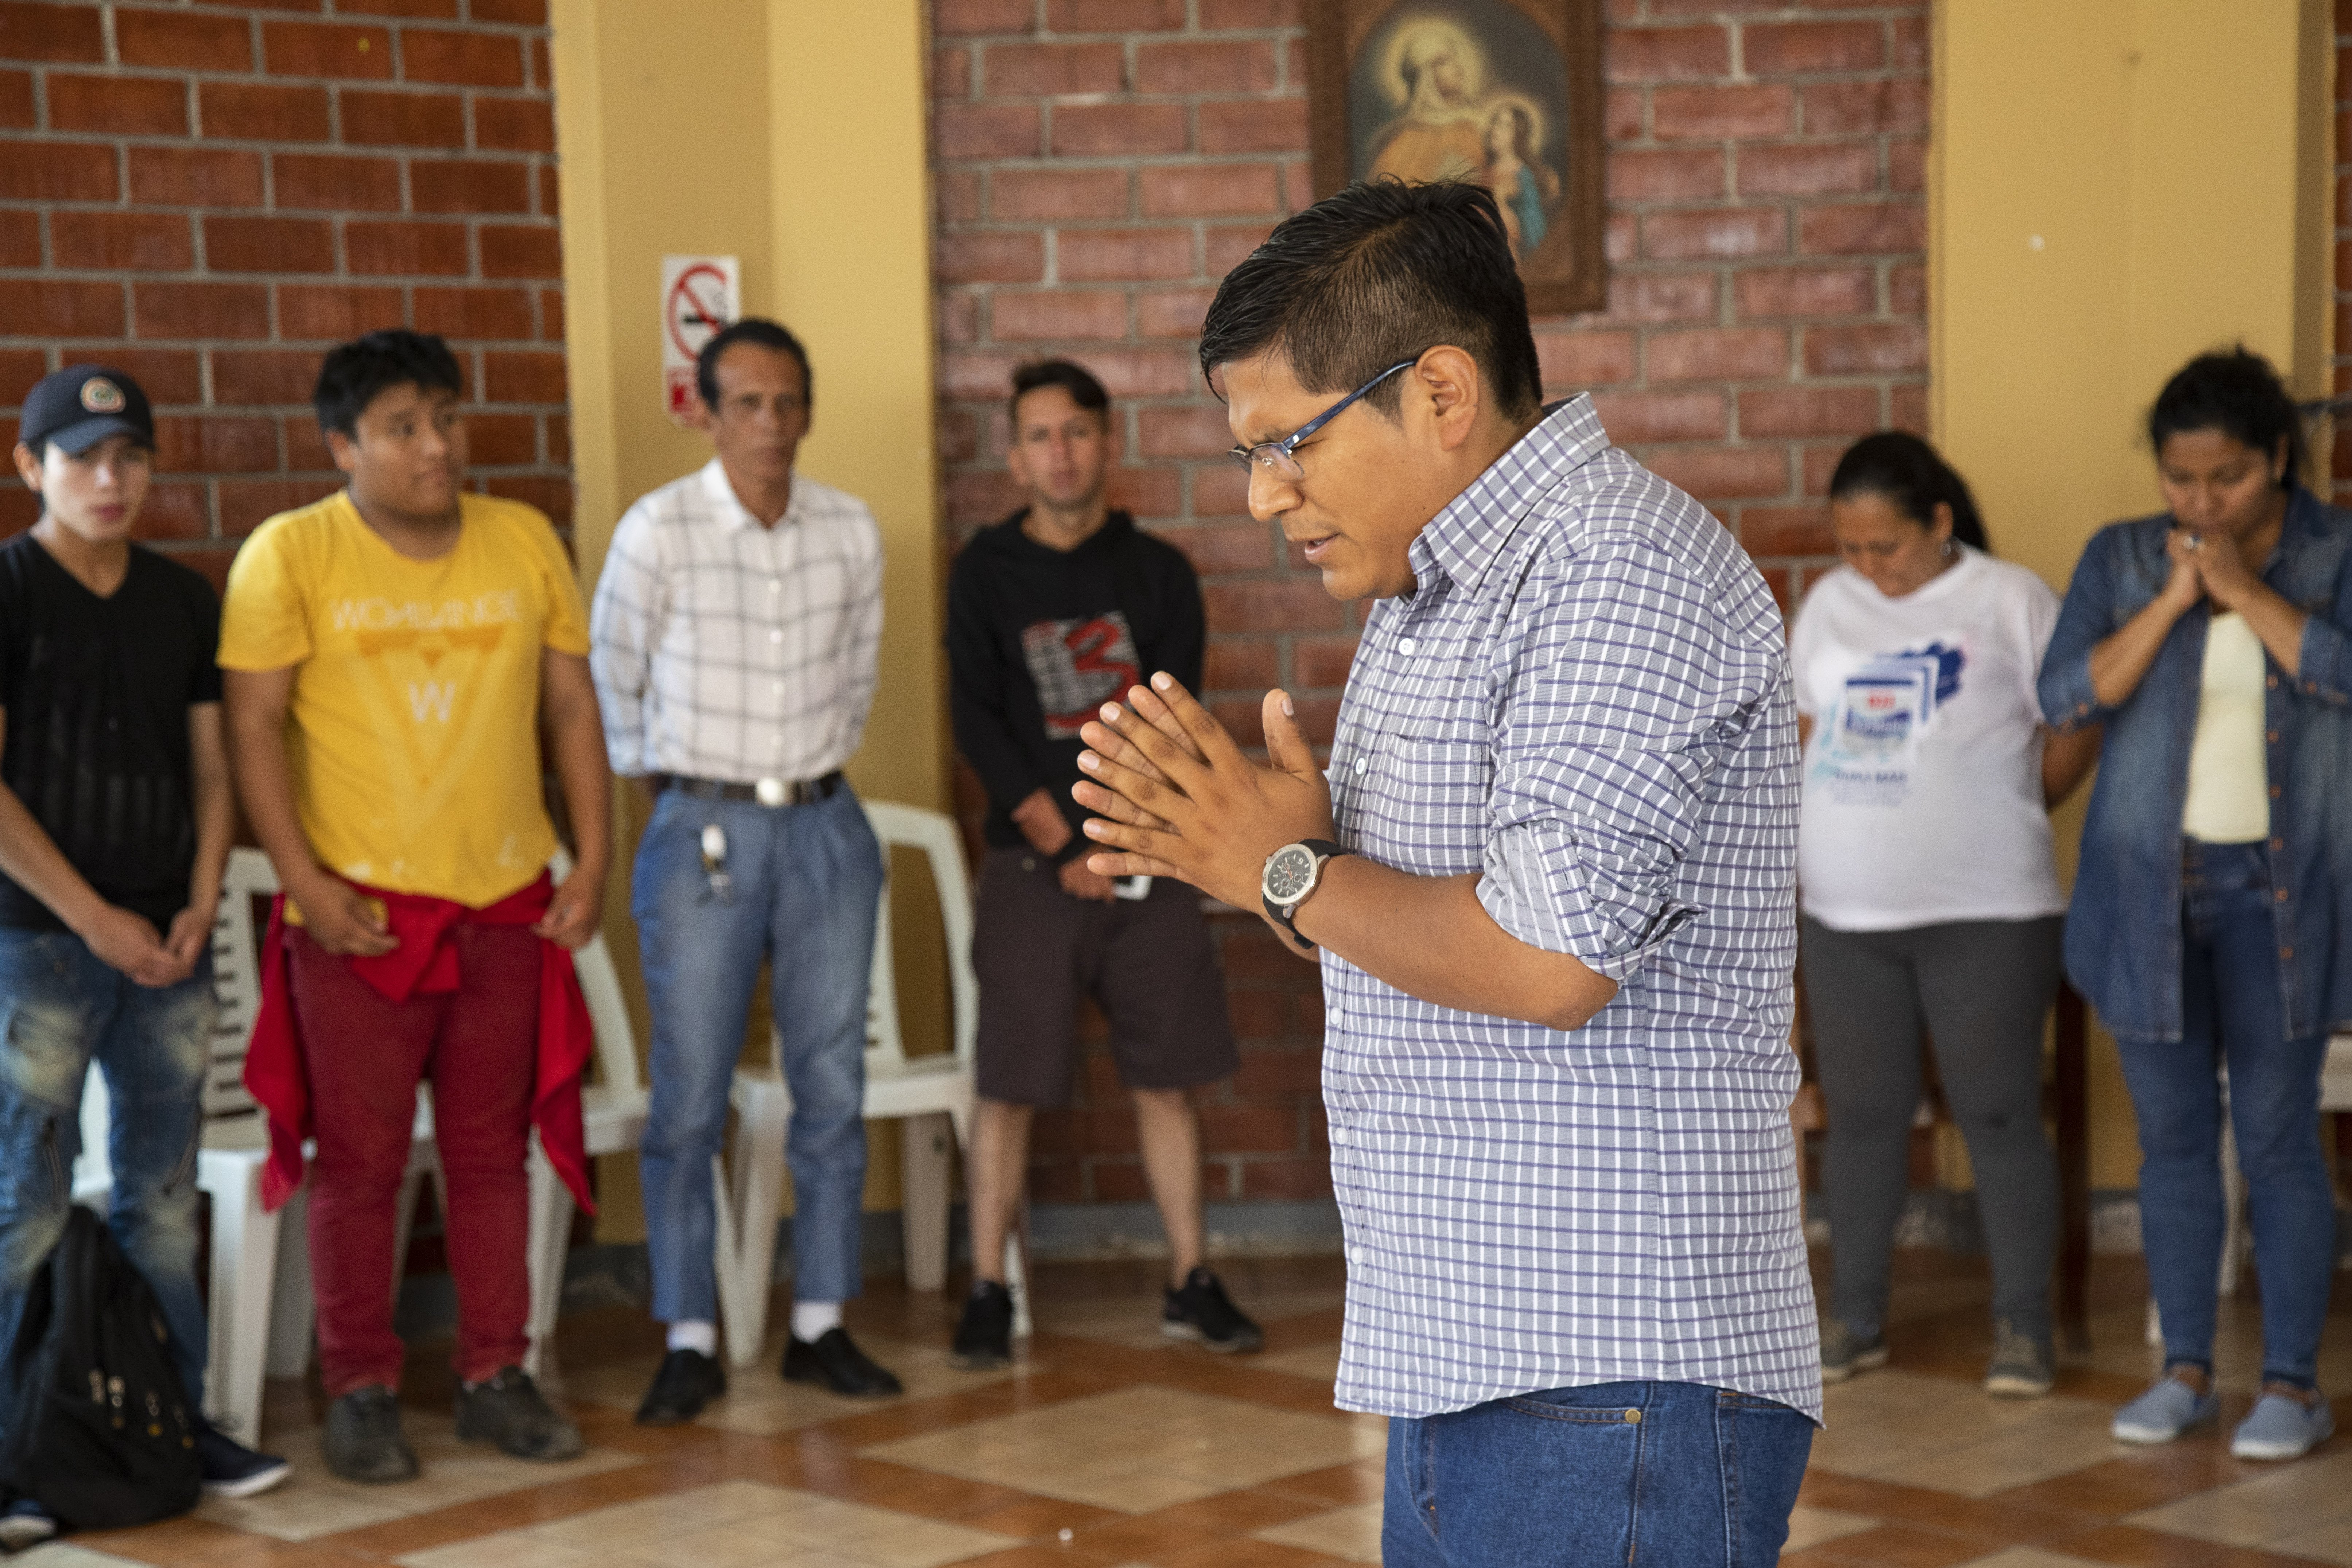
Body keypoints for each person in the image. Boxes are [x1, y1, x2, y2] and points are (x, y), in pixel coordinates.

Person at [1073, 178, 1818, 1567]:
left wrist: (1285, 871)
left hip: (1612, 1364)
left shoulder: (1613, 570)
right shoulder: (1432, 592)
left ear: (1438, 390)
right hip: (1470, 1342)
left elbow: (1545, 961)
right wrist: (1295, 866)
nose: (1260, 496)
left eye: (1287, 443)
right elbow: (1413, 927)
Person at [220, 330, 610, 1484]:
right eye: (402, 425)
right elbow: (251, 731)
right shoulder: (288, 554)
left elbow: (572, 715)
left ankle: (497, 1370)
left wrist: (589, 858)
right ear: (343, 444)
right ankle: (360, 1387)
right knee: (361, 1162)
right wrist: (306, 886)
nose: (435, 444)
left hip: (505, 902)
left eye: (444, 415)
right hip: (362, 917)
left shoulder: (522, 538)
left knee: (493, 1155)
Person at [2040, 347, 2352, 1463]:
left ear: (2273, 457)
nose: (2197, 501)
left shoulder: (2331, 549)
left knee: (2274, 1141)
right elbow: (2061, 691)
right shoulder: (2123, 557)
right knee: (2172, 1142)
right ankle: (2181, 1369)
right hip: (2147, 896)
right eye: (2179, 478)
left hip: (2288, 898)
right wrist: (2176, 592)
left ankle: (2289, 1383)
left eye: (2221, 477)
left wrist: (2244, 593)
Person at [591, 318, 898, 1424]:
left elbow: (856, 680)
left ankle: (820, 1318)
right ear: (707, 413)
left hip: (823, 820)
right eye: (746, 404)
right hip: (702, 823)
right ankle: (689, 1330)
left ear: (806, 411)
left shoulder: (850, 531)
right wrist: (680, 800)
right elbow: (614, 685)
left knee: (829, 1079)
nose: (768, 424)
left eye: (785, 403)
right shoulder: (658, 530)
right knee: (692, 1083)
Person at [0, 368, 288, 1545]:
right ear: (31, 469)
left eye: (128, 457)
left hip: (171, 942)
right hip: (40, 950)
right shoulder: (8, 590)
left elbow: (214, 766)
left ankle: (175, 1423)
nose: (109, 480)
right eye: (81, 458)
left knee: (161, 1203)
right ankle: (16, 1451)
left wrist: (203, 895)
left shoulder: (183, 599)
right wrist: (93, 920)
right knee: (21, 1202)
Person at [944, 359, 1260, 1370]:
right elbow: (977, 721)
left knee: (1169, 1081)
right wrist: (1059, 841)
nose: (1059, 452)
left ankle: (1190, 1278)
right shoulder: (984, 571)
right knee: (1005, 1085)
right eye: (1039, 435)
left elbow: (1177, 722)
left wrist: (1113, 842)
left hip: (1148, 861)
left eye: (1076, 432)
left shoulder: (1158, 574)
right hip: (1031, 869)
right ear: (1014, 454)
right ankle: (988, 1285)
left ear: (1105, 443)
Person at [1792, 433, 2101, 1399]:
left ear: (1937, 522)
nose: (1865, 567)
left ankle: (2021, 1327)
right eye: (1848, 547)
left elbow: (2077, 717)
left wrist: (2008, 800)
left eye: (1884, 545)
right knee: (1866, 1119)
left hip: (1988, 906)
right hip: (1844, 909)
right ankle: (1856, 1316)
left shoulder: (2009, 597)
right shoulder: (1830, 606)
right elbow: (1807, 733)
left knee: (2000, 1109)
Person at [1368, 25, 1485, 185]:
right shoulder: (1404, 141)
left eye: (1456, 58)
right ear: (1426, 78)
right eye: (1444, 62)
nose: (1458, 67)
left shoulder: (1476, 130)